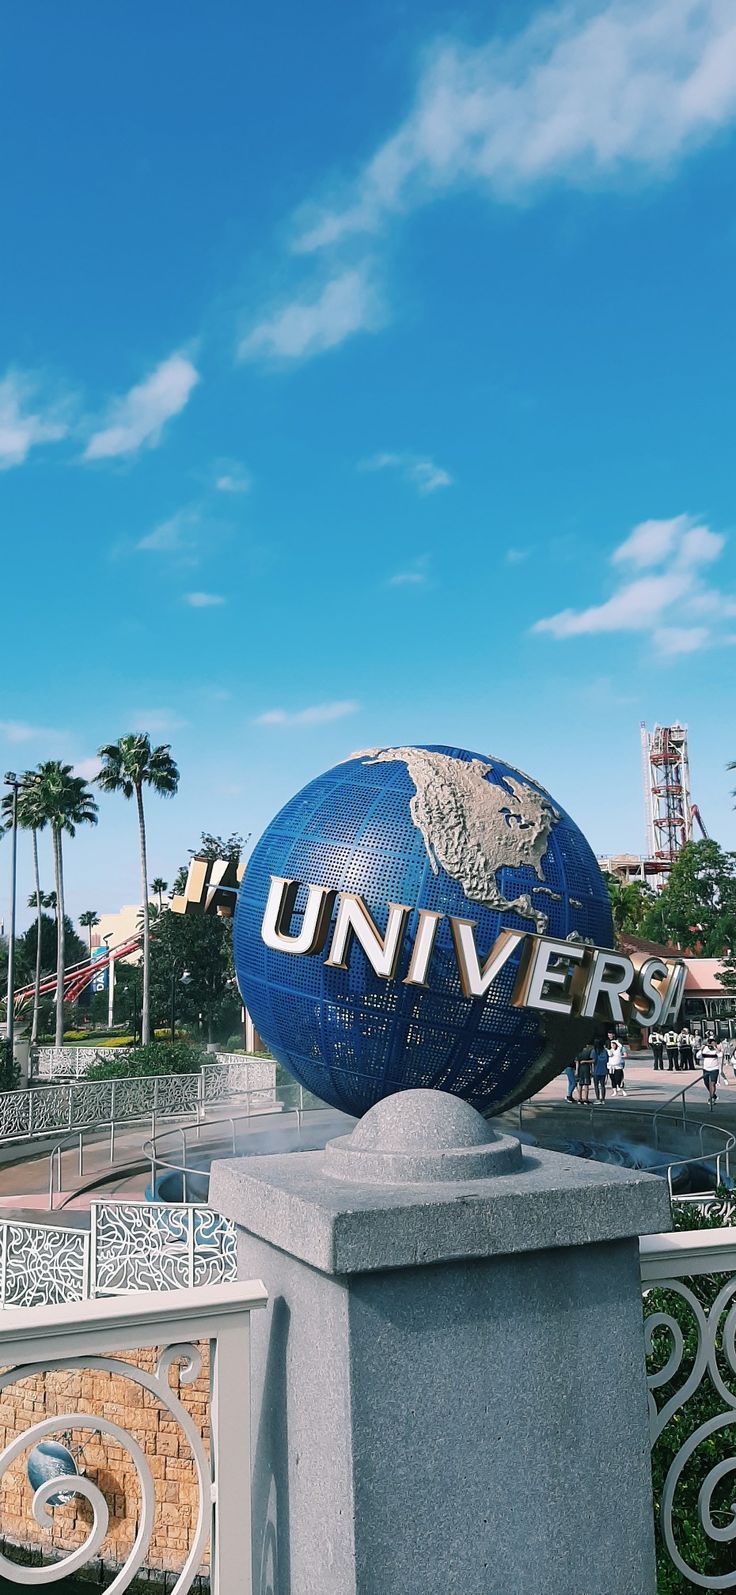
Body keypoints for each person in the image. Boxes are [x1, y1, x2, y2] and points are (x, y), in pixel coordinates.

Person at [699, 1033, 721, 1106]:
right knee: (706, 1083)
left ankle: (711, 1098)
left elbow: (720, 1055)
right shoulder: (705, 1048)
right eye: (710, 1041)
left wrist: (715, 1048)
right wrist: (701, 1049)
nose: (711, 1043)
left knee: (712, 1083)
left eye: (713, 1041)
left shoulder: (717, 1049)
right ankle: (713, 1095)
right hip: (706, 1069)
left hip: (714, 1069)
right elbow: (698, 1056)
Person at [591, 1038, 609, 1102]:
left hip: (596, 1070)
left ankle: (598, 1098)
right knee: (602, 1085)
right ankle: (603, 1099)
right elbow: (607, 1060)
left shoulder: (594, 1051)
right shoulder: (605, 1051)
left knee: (596, 1086)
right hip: (604, 1069)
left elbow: (593, 1061)